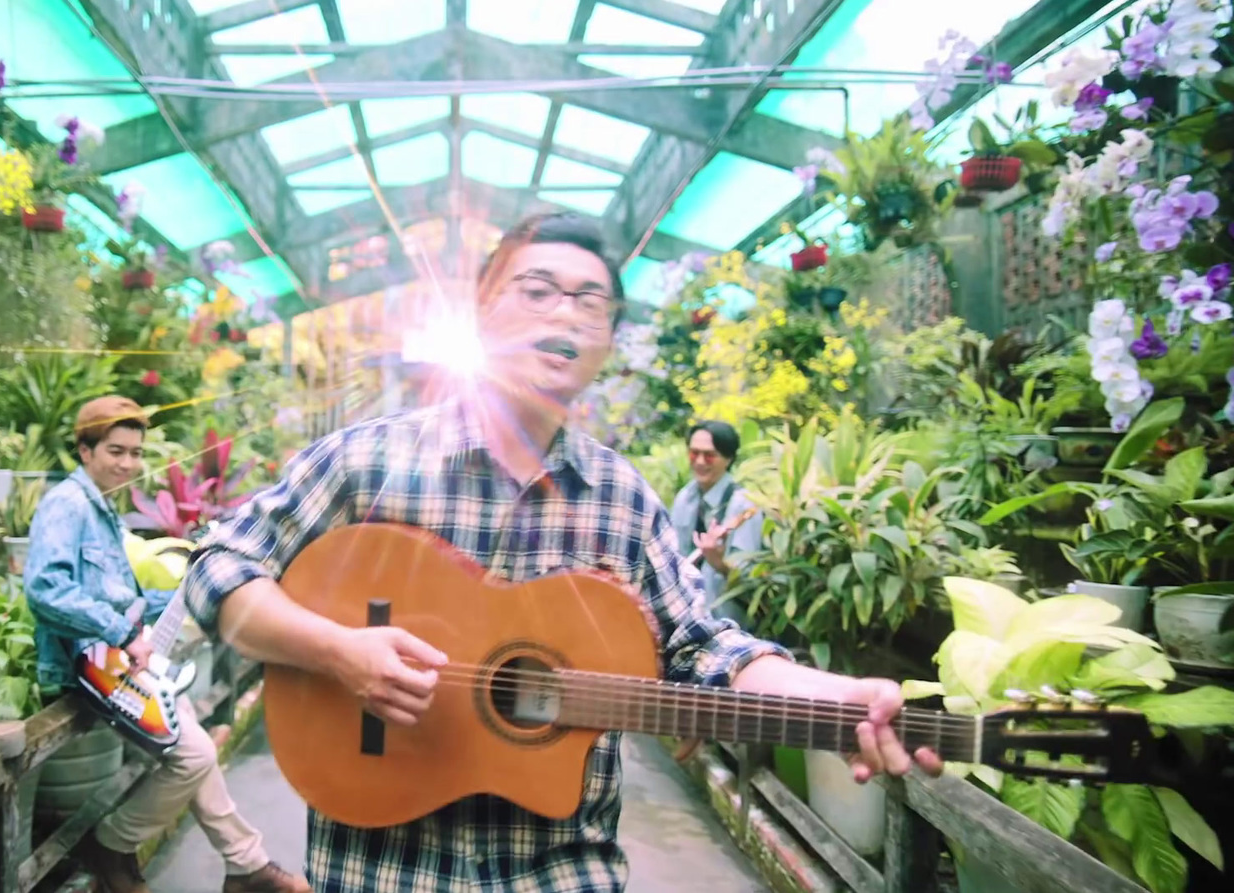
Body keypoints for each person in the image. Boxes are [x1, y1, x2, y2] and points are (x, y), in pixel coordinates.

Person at [177, 213, 944, 892]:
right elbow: (219, 566)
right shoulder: (364, 461)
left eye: (589, 300)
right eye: (537, 289)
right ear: (482, 315)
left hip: (562, 869)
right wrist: (341, 650)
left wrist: (829, 694)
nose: (563, 312)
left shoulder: (622, 497)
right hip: (382, 864)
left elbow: (703, 646)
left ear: (607, 338)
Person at [22, 396, 310, 893]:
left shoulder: (103, 511)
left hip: (116, 663)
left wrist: (199, 581)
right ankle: (112, 842)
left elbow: (124, 596)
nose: (129, 463)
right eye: (116, 450)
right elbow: (46, 590)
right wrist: (122, 631)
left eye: (135, 452)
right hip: (90, 664)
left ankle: (247, 865)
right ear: (84, 450)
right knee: (194, 754)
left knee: (191, 745)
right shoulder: (66, 505)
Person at [670, 420, 764, 622]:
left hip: (730, 623)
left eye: (710, 455)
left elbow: (751, 581)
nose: (700, 462)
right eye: (694, 453)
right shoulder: (685, 498)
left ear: (728, 459)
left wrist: (719, 563)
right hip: (688, 619)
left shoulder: (744, 505)